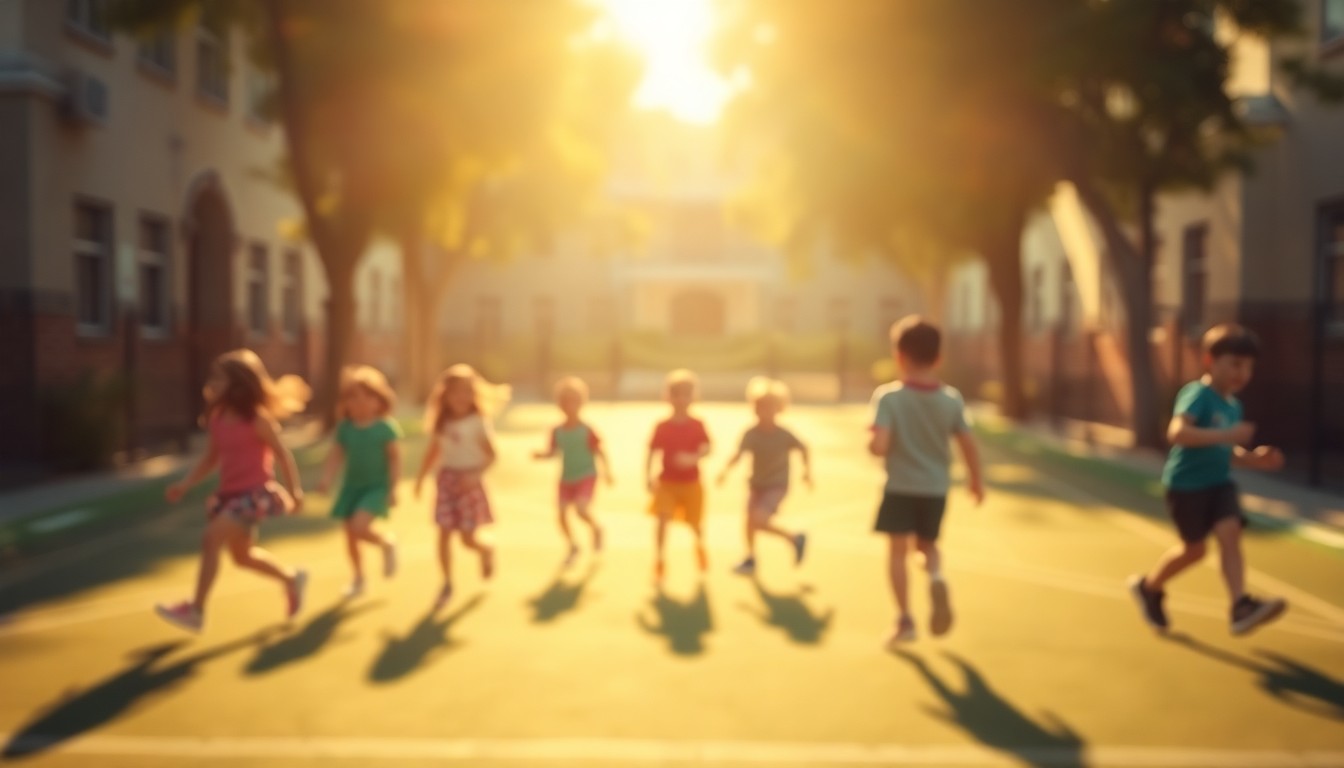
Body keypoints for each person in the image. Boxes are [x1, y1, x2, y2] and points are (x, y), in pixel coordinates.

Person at [1129, 323, 1287, 636]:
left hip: (1218, 483)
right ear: (1209, 362)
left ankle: (1240, 606)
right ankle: (1149, 587)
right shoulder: (1197, 394)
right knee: (1195, 551)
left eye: (1249, 366)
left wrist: (1256, 459)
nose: (1242, 372)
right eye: (1235, 364)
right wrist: (1227, 434)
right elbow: (1178, 433)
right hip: (1186, 486)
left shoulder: (1234, 405)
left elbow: (1225, 451)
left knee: (1230, 532)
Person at [155, 349, 312, 633]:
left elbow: (283, 455)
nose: (212, 382)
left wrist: (295, 492)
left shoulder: (258, 420)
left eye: (220, 377)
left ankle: (196, 611)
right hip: (230, 495)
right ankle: (291, 579)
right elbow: (210, 459)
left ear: (238, 384)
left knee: (210, 538)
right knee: (242, 557)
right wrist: (185, 484)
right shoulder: (217, 418)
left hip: (253, 494)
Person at [869, 316, 983, 645]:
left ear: (898, 356)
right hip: (935, 489)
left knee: (896, 552)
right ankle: (934, 574)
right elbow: (967, 444)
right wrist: (976, 480)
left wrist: (872, 442)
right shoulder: (951, 399)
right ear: (938, 359)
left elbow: (880, 445)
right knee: (928, 546)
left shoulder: (889, 398)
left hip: (900, 487)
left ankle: (905, 620)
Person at [415, 364, 509, 610]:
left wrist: (476, 474)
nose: (461, 397)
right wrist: (420, 479)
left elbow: (492, 455)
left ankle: (485, 549)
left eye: (467, 392)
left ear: (474, 394)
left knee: (467, 539)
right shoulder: (441, 422)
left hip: (470, 482)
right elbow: (433, 452)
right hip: (447, 481)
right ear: (445, 394)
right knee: (444, 533)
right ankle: (446, 582)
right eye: (456, 392)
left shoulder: (478, 421)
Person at [317, 365, 402, 598]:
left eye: (367, 398)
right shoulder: (345, 428)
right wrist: (326, 479)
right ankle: (358, 578)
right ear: (346, 403)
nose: (360, 403)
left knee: (360, 527)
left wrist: (393, 488)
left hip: (376, 488)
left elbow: (395, 459)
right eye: (353, 398)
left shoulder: (385, 428)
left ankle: (386, 543)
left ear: (379, 401)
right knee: (351, 536)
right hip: (351, 488)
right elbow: (336, 456)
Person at [716, 376, 811, 576]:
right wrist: (725, 471)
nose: (764, 411)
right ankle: (751, 557)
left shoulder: (784, 434)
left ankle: (793, 538)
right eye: (759, 407)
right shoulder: (751, 433)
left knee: (758, 519)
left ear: (779, 408)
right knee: (749, 522)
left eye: (769, 407)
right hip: (756, 484)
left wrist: (806, 473)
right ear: (753, 408)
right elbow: (738, 454)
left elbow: (804, 448)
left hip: (776, 485)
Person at [533, 376, 612, 566]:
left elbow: (599, 451)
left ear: (581, 402)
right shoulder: (556, 430)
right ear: (559, 404)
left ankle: (596, 529)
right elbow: (552, 452)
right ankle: (573, 546)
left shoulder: (587, 429)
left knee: (581, 509)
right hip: (566, 478)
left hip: (586, 475)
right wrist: (541, 455)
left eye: (574, 401)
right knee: (560, 514)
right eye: (565, 401)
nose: (570, 405)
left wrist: (607, 472)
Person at [646, 369, 712, 583]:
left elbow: (707, 447)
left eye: (686, 393)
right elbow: (651, 451)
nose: (681, 398)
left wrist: (693, 458)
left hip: (692, 483)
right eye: (676, 393)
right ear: (668, 396)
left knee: (695, 524)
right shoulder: (662, 426)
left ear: (693, 396)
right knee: (662, 519)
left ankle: (699, 546)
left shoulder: (698, 424)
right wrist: (647, 476)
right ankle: (660, 559)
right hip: (666, 482)